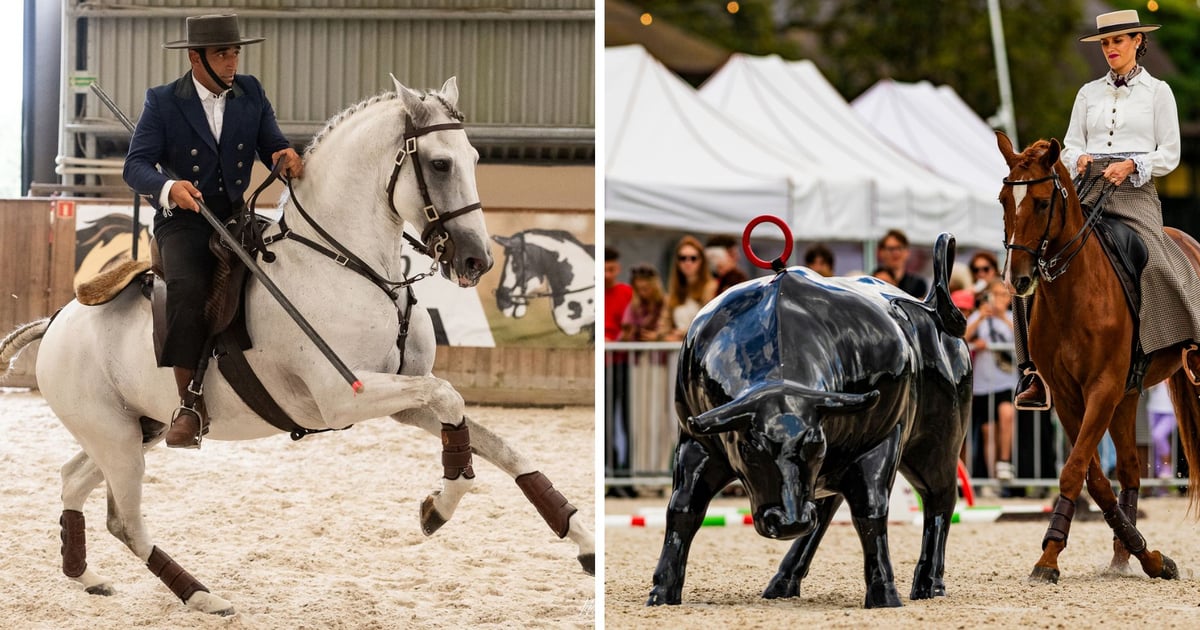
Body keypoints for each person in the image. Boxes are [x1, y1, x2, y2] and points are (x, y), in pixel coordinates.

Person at [123, 14, 303, 449]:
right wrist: (170, 187)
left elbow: (271, 143)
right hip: (184, 220)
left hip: (236, 215)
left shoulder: (251, 91)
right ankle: (189, 404)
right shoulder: (163, 101)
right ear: (195, 57)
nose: (231, 61)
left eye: (235, 52)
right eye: (222, 53)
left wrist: (286, 157)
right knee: (187, 290)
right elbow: (135, 167)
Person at [1014, 9, 1200, 410]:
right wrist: (1079, 158)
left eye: (1118, 41)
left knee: (1158, 260)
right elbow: (1070, 142)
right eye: (1105, 42)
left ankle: (1188, 343)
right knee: (1028, 262)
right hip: (1087, 188)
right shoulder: (1088, 93)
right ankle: (1032, 372)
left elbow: (1170, 153)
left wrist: (1133, 164)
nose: (1111, 48)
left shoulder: (1158, 92)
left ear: (1137, 41)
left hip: (1134, 193)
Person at [964, 279, 1016, 483]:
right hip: (983, 383)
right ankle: (992, 478)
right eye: (995, 294)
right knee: (987, 431)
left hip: (1006, 381)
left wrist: (1002, 317)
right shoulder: (980, 317)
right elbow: (963, 335)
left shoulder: (1012, 318)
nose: (999, 300)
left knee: (1007, 414)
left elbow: (1023, 339)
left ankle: (1004, 461)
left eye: (1004, 295)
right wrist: (979, 322)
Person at [658, 235, 718, 341]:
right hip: (677, 352)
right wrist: (664, 336)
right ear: (677, 262)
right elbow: (663, 327)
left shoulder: (711, 287)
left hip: (701, 351)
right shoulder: (673, 292)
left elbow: (711, 322)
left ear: (701, 261)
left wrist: (684, 332)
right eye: (682, 258)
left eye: (693, 258)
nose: (688, 262)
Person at [876, 229, 928, 298]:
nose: (896, 253)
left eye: (900, 248)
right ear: (881, 252)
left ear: (907, 252)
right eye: (891, 249)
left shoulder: (918, 284)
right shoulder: (875, 280)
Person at [619, 264, 665, 342]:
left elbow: (668, 328)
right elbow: (625, 331)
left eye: (645, 289)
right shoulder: (634, 306)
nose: (641, 293)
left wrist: (658, 336)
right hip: (638, 351)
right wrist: (627, 334)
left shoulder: (665, 303)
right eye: (638, 289)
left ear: (655, 286)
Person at [1146, 382, 1176, 480]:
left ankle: (1167, 466)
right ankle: (1161, 486)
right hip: (1153, 408)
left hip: (1171, 410)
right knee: (1155, 445)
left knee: (1158, 435)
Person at [604, 247, 634, 342]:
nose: (607, 275)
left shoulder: (629, 292)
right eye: (603, 270)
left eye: (611, 270)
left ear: (618, 268)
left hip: (620, 352)